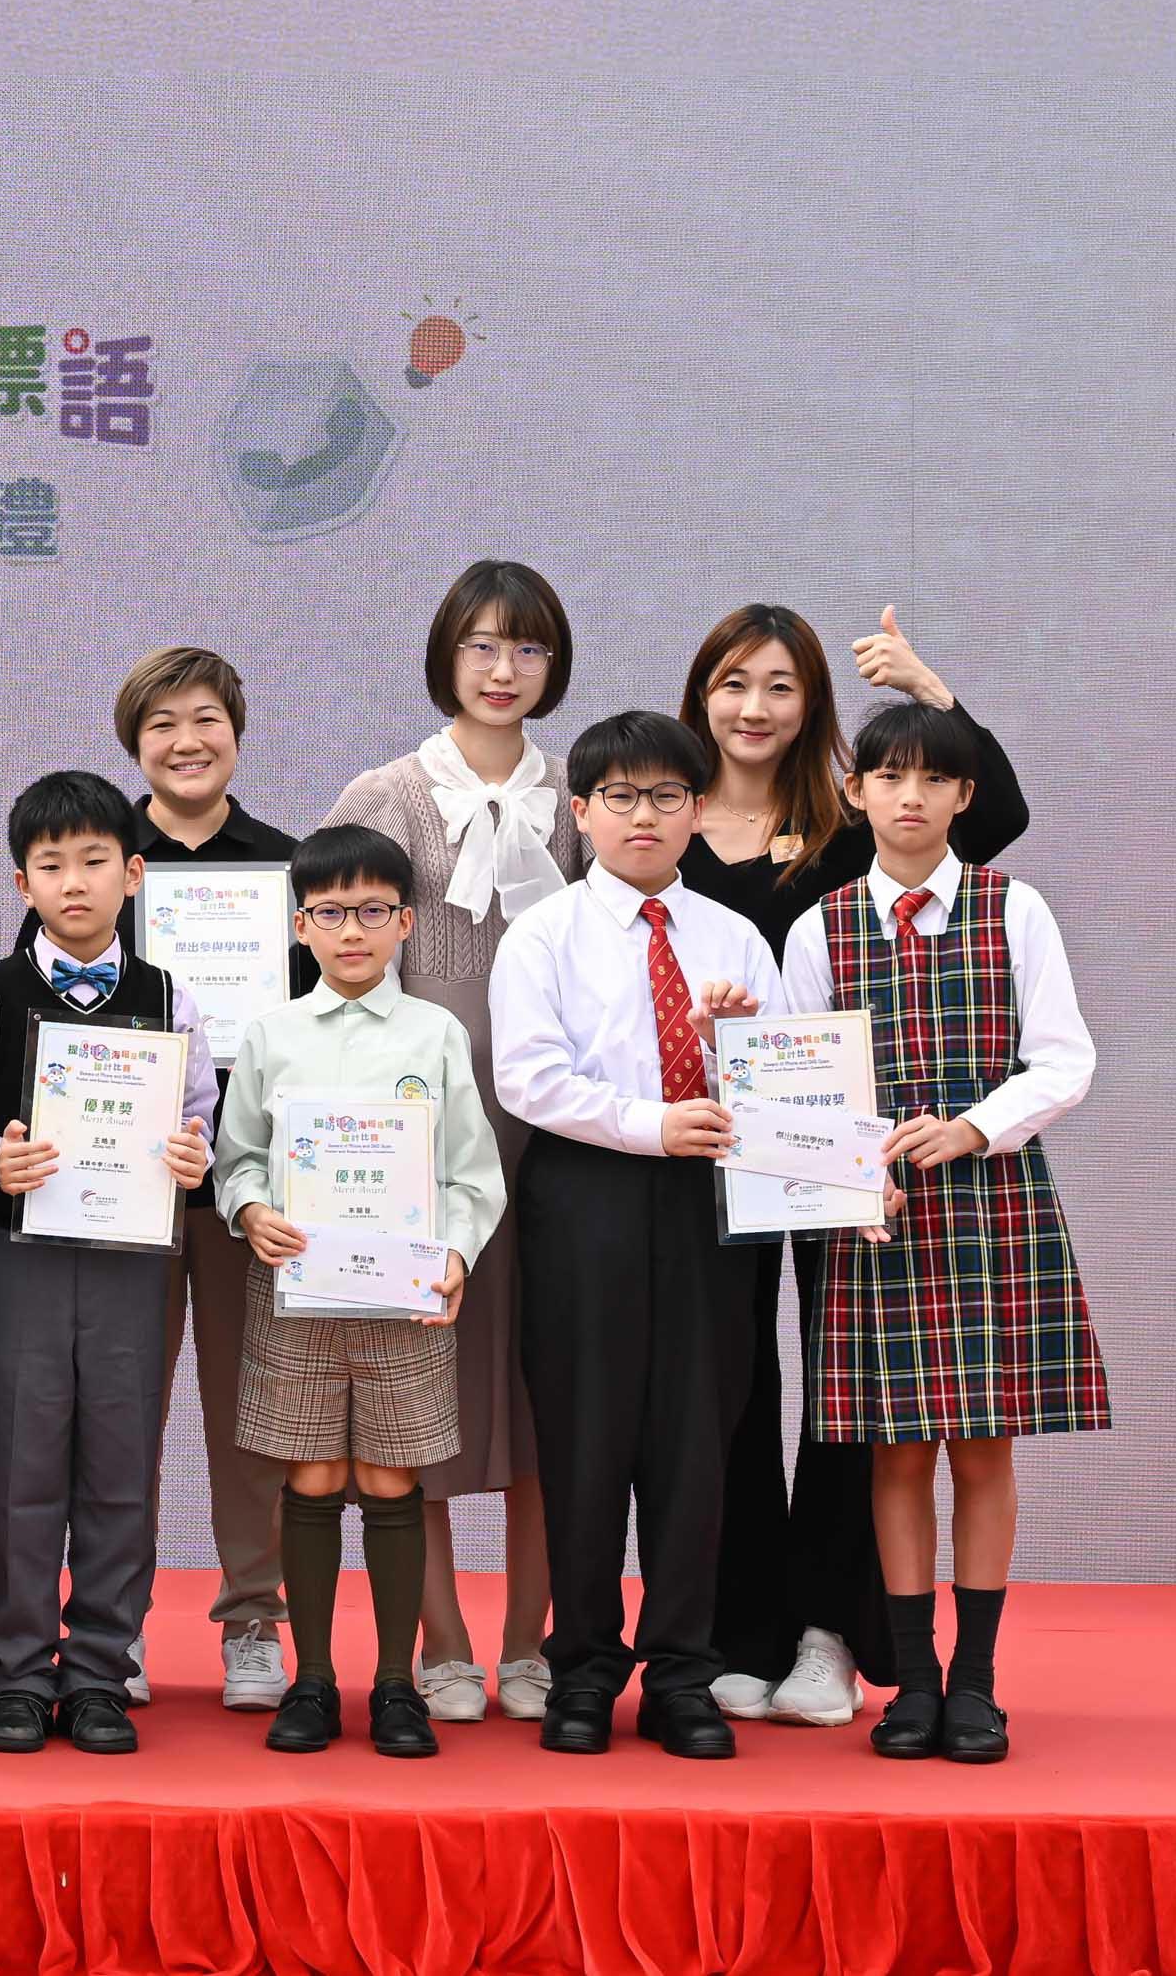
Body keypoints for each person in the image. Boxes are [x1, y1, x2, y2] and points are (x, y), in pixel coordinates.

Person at [675, 607, 1032, 1728]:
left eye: (779, 687)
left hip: (850, 1159)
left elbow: (998, 813)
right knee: (727, 1393)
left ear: (811, 706)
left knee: (845, 1397)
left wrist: (930, 686)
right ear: (700, 696)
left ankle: (828, 1634)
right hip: (712, 1145)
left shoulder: (848, 815)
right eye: (732, 682)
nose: (752, 707)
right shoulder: (660, 816)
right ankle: (739, 1630)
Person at [786, 702, 1102, 1764]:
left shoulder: (1016, 910)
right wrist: (848, 1176)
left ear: (965, 795)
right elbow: (801, 1088)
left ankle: (973, 1681)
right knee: (893, 1453)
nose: (909, 794)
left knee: (980, 1447)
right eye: (887, 774)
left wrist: (971, 1125)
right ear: (855, 791)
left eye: (932, 777)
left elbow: (1062, 1059)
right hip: (874, 1217)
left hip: (987, 1202)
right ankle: (909, 1683)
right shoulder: (818, 925)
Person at [488, 711, 780, 1759]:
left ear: (697, 809)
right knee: (582, 1437)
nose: (642, 815)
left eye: (665, 796)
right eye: (619, 796)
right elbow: (526, 1077)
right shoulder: (543, 932)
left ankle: (681, 1675)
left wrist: (730, 1045)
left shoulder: (733, 938)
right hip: (585, 1196)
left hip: (706, 1202)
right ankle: (580, 1670)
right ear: (579, 811)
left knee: (695, 1442)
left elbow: (780, 1082)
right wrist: (647, 1122)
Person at [328, 559, 577, 1725]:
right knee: (409, 1385)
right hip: (411, 1141)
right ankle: (438, 1640)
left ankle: (529, 1640)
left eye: (524, 648)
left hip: (557, 1141)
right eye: (479, 644)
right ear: (444, 654)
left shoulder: (581, 794)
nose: (500, 669)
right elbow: (328, 953)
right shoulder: (386, 793)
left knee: (542, 1390)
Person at [0, 772, 215, 1757]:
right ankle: (17, 1670)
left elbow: (200, 1121)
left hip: (135, 1259)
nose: (74, 881)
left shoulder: (170, 994)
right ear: (20, 880)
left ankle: (100, 1666)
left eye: (94, 859)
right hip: (20, 1253)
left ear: (131, 871)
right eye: (50, 864)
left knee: (118, 1466)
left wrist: (195, 1159)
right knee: (21, 1462)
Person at [216, 824, 507, 1758]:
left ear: (406, 922)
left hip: (405, 1299)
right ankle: (310, 1679)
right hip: (295, 1296)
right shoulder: (270, 1030)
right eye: (332, 913)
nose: (353, 931)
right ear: (300, 925)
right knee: (307, 1478)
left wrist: (456, 1253)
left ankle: (394, 1684)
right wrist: (251, 1208)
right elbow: (239, 1160)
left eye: (373, 911)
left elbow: (473, 1174)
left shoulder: (436, 1032)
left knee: (392, 1479)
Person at [110, 646, 309, 1712]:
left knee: (249, 1413)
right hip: (122, 1186)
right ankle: (113, 1624)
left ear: (237, 728)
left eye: (204, 719)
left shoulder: (287, 869)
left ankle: (250, 1621)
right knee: (120, 1414)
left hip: (252, 1190)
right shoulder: (97, 858)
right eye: (160, 725)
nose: (185, 741)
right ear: (132, 743)